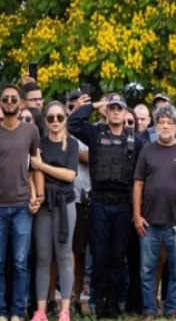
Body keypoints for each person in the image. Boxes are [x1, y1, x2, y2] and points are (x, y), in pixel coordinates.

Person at [68, 93, 144, 319]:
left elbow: (141, 175)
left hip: (123, 205)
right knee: (99, 257)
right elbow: (73, 123)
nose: (116, 112)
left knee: (117, 257)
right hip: (99, 203)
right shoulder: (94, 132)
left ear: (125, 112)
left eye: (120, 108)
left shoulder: (135, 140)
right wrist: (95, 104)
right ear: (106, 111)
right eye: (112, 108)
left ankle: (114, 304)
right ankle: (100, 305)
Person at [133, 105, 176, 321]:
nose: (166, 126)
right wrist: (137, 215)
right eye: (162, 122)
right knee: (147, 270)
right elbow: (138, 185)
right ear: (156, 125)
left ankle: (172, 309)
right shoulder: (147, 150)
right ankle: (150, 310)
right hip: (149, 222)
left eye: (170, 122)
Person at [30, 102, 79, 321]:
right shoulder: (39, 143)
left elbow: (70, 175)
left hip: (65, 203)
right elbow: (33, 171)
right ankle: (40, 310)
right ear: (46, 120)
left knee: (64, 258)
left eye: (59, 117)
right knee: (42, 257)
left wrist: (43, 166)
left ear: (65, 118)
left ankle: (64, 310)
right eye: (50, 118)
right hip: (43, 203)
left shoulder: (73, 144)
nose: (55, 121)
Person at [0, 84, 41, 321]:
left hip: (22, 206)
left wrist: (38, 194)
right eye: (5, 98)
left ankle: (17, 311)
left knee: (19, 262)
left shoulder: (30, 131)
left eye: (13, 98)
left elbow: (35, 166)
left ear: (20, 103)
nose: (9, 101)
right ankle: (2, 311)